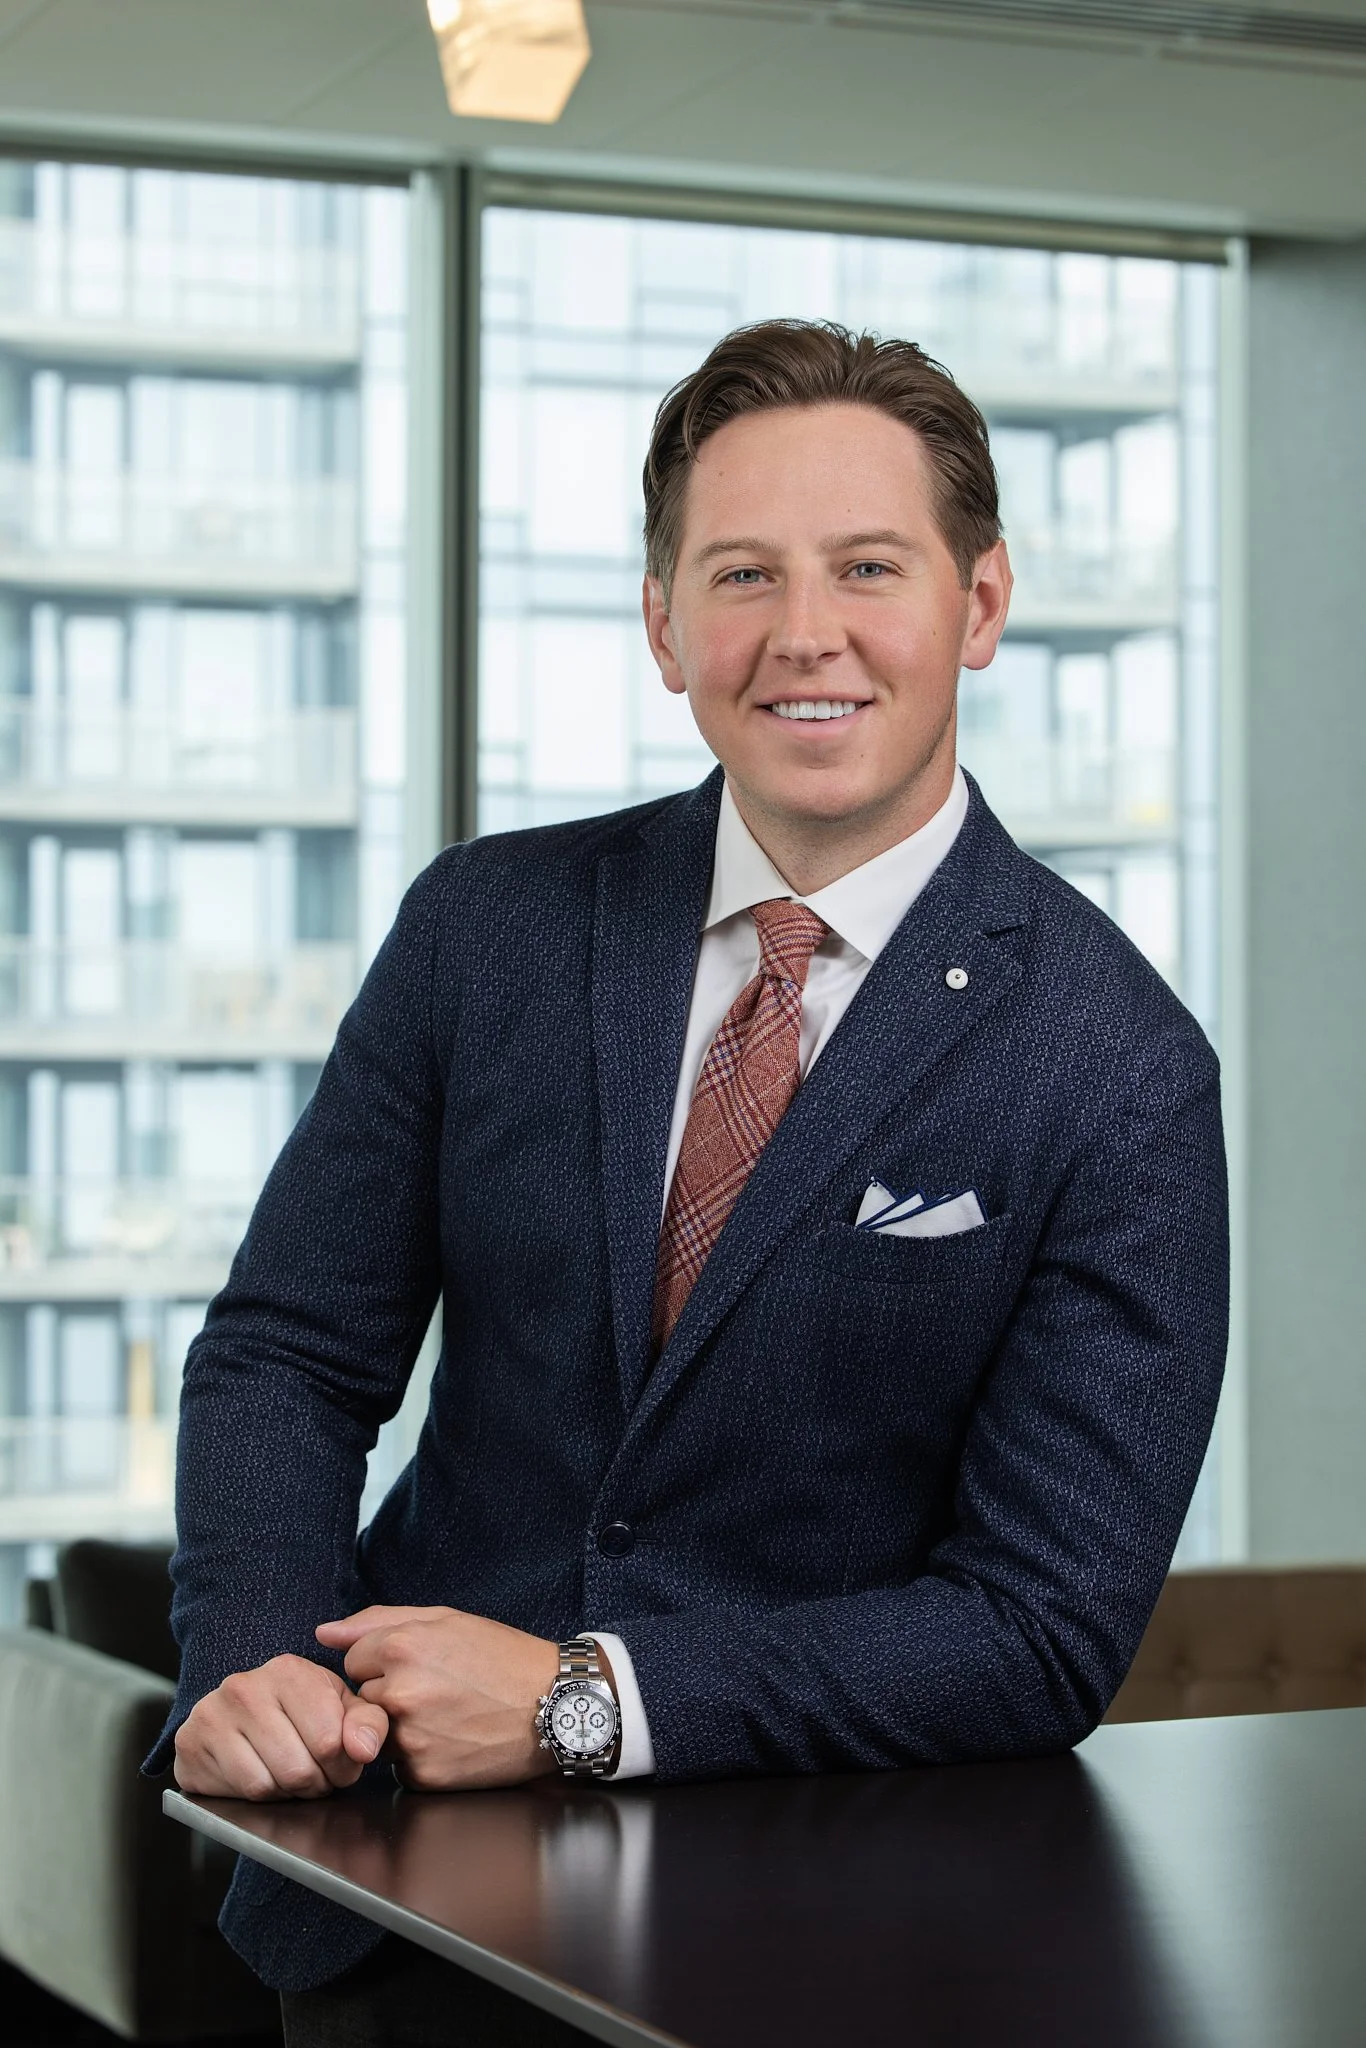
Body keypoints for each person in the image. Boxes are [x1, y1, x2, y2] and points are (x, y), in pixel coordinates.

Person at [150, 320, 1228, 2043]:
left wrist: (593, 1701)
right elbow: (289, 1348)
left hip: (826, 1942)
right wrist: (258, 1664)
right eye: (742, 574)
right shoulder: (484, 926)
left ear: (981, 603)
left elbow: (1037, 1628)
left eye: (869, 567)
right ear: (664, 623)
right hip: (387, 1908)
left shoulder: (1118, 1065)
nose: (806, 635)